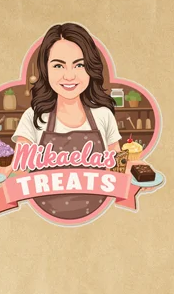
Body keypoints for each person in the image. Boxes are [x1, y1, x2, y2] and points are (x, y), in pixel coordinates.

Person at [7, 22, 122, 219]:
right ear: (45, 69)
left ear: (90, 68)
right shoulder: (33, 117)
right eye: (59, 65)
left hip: (101, 217)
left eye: (79, 65)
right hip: (40, 219)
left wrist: (138, 176)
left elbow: (119, 168)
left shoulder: (103, 115)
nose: (69, 75)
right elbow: (18, 171)